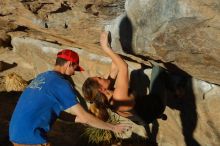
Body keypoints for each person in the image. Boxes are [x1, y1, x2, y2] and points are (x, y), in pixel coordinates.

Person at [9, 49, 131, 146]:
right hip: (31, 137)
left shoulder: (43, 77)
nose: (74, 73)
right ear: (68, 64)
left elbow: (54, 112)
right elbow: (85, 116)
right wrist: (113, 127)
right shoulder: (60, 83)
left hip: (15, 134)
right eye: (74, 68)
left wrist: (77, 119)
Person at [82, 31, 140, 122]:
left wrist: (112, 45)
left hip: (139, 113)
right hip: (155, 108)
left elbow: (115, 68)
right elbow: (123, 67)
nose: (102, 76)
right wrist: (106, 48)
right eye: (99, 78)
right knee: (158, 71)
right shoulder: (118, 98)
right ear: (101, 89)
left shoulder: (105, 95)